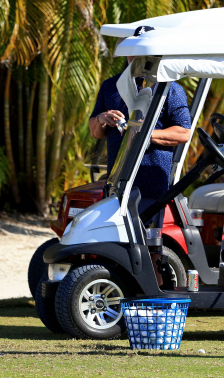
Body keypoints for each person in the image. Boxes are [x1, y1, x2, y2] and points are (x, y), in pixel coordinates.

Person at [89, 27, 192, 285]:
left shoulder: (170, 88)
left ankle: (154, 298)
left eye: (141, 52)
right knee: (115, 243)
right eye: (131, 52)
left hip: (152, 180)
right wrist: (103, 119)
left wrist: (144, 134)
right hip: (118, 179)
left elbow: (183, 133)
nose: (134, 58)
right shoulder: (111, 86)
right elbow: (95, 132)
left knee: (151, 245)